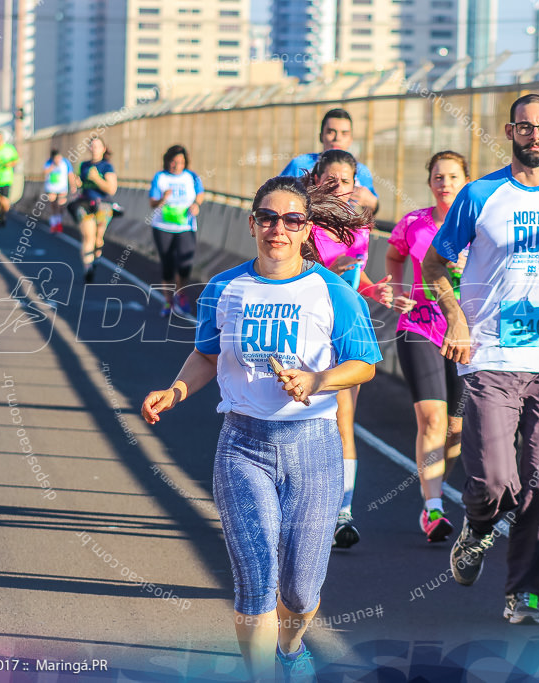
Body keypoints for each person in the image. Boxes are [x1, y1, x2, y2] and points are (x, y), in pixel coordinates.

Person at [140, 175, 381, 681]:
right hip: (243, 447)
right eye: (268, 218)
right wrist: (175, 390)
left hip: (314, 449)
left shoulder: (331, 291)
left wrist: (317, 379)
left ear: (306, 228)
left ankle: (291, 648)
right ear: (252, 224)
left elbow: (364, 364)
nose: (279, 229)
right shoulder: (225, 288)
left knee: (299, 591)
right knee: (255, 583)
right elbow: (207, 355)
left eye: (292, 220)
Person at [423, 93, 539, 625]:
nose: (535, 136)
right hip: (488, 359)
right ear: (510, 132)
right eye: (525, 127)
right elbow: (435, 264)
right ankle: (477, 527)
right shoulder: (480, 195)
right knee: (491, 483)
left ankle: (523, 592)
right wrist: (456, 319)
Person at [306, 149, 392, 549]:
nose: (337, 186)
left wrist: (376, 289)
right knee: (301, 418)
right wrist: (321, 265)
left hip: (349, 328)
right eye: (330, 179)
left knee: (343, 418)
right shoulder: (302, 221)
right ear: (317, 179)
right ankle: (302, 503)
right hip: (307, 328)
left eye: (345, 180)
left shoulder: (360, 226)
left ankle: (343, 511)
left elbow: (355, 275)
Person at [385, 151, 470, 543]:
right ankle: (433, 508)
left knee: (455, 428)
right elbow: (393, 254)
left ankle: (435, 486)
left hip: (465, 333)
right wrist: (398, 289)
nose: (445, 183)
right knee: (433, 420)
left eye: (453, 177)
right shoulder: (414, 223)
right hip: (419, 326)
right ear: (430, 181)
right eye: (438, 176)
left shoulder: (479, 223)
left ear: (465, 181)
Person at [280, 108, 379, 213]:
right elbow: (275, 195)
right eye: (331, 132)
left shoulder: (361, 171)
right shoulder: (300, 164)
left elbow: (372, 210)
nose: (337, 138)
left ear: (351, 139)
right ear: (321, 136)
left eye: (344, 134)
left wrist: (372, 203)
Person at [148, 145, 204, 316]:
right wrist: (163, 198)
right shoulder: (160, 177)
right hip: (163, 227)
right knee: (168, 265)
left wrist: (196, 205)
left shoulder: (192, 176)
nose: (176, 165)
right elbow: (152, 203)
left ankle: (180, 294)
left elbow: (200, 194)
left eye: (180, 162)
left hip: (185, 226)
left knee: (185, 264)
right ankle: (168, 302)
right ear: (167, 161)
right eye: (173, 162)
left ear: (185, 162)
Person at [71, 138, 118, 282]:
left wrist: (97, 179)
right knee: (88, 237)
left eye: (98, 146)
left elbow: (111, 189)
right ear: (89, 149)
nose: (94, 148)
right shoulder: (84, 165)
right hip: (85, 204)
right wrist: (77, 183)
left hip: (103, 205)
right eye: (92, 146)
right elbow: (79, 184)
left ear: (104, 149)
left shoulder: (107, 167)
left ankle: (95, 259)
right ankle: (88, 268)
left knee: (98, 239)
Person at [43, 149, 76, 233]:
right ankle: (54, 224)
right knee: (53, 205)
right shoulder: (49, 163)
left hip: (62, 188)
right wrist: (53, 166)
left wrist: (73, 186)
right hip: (51, 188)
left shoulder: (65, 163)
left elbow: (70, 174)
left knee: (61, 205)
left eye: (59, 158)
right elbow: (44, 172)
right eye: (56, 158)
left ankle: (59, 222)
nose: (58, 160)